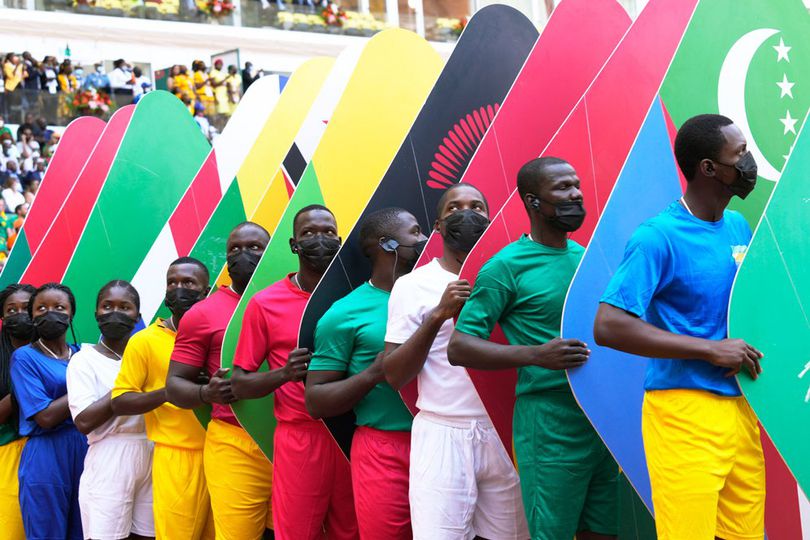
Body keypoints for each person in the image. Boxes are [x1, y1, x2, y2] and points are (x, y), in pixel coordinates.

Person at [593, 114, 765, 539]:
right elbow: (608, 325)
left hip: (741, 407)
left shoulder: (738, 227)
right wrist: (708, 349)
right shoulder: (658, 236)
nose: (748, 162)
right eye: (739, 153)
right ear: (709, 168)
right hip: (684, 413)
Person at [447, 158, 619, 540]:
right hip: (548, 425)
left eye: (576, 185)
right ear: (533, 201)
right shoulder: (505, 267)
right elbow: (459, 347)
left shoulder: (588, 259)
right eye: (561, 187)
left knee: (603, 532)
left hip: (599, 419)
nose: (575, 193)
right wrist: (536, 355)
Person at [382, 183, 528, 539]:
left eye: (477, 207)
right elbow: (394, 374)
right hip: (442, 429)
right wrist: (438, 316)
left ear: (490, 219)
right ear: (437, 225)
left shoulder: (510, 273)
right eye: (455, 208)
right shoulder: (413, 285)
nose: (467, 214)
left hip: (503, 427)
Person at [231, 205, 358, 539]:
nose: (320, 239)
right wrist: (283, 374)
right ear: (293, 244)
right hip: (299, 439)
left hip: (350, 432)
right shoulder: (264, 303)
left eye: (328, 232)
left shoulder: (356, 296)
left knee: (354, 531)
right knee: (297, 532)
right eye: (309, 233)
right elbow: (240, 384)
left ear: (340, 239)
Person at [306, 207, 426, 539]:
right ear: (388, 245)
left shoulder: (439, 295)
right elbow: (316, 401)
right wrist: (373, 374)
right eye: (415, 232)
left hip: (443, 439)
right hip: (383, 450)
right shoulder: (343, 313)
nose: (425, 239)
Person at [166, 222, 274, 540]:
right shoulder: (202, 314)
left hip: (292, 439)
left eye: (254, 247)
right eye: (234, 250)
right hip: (234, 444)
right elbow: (175, 385)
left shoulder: (296, 297)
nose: (243, 255)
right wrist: (205, 392)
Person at [111, 258, 214, 540]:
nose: (179, 288)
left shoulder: (221, 333)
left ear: (206, 291)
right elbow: (120, 400)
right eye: (172, 282)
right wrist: (171, 391)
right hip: (176, 456)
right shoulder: (144, 341)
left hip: (222, 451)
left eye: (188, 283)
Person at [67, 280, 154, 540]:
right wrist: (126, 384)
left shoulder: (146, 355)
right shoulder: (83, 360)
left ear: (137, 316)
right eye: (107, 306)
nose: (115, 312)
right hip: (109, 455)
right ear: (96, 314)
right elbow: (83, 422)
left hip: (152, 450)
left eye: (124, 307)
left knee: (148, 535)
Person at [10, 282, 86, 539]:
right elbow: (45, 417)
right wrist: (86, 388)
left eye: (59, 307)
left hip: (85, 450)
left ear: (71, 313)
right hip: (46, 454)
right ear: (32, 317)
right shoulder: (24, 357)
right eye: (41, 308)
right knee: (46, 532)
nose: (49, 312)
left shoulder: (83, 355)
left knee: (83, 530)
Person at [0, 283, 36, 540]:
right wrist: (23, 387)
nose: (20, 314)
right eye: (11, 310)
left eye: (27, 308)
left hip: (49, 449)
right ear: (2, 317)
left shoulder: (58, 352)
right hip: (8, 452)